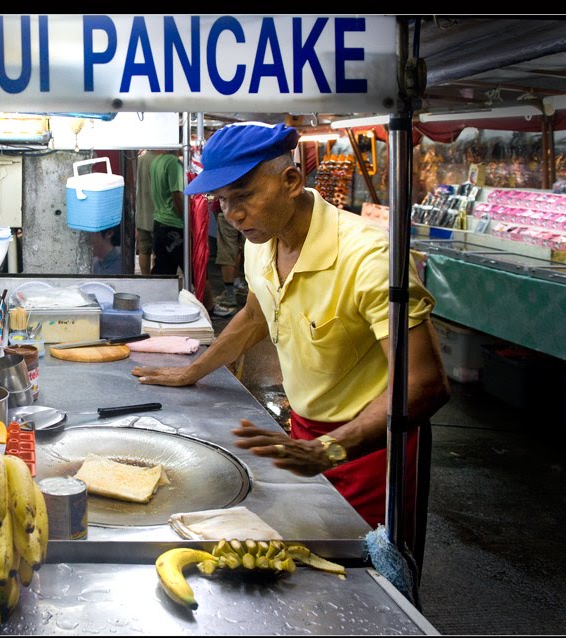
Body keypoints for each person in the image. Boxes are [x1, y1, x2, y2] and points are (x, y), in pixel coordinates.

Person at [132, 122, 451, 531]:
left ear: (291, 180)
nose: (232, 216)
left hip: (373, 447)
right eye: (222, 201)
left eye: (243, 195)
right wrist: (194, 370)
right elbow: (255, 315)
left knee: (367, 569)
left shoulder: (369, 258)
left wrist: (330, 449)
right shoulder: (259, 242)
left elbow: (424, 385)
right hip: (305, 434)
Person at [148, 149, 186, 277]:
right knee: (196, 273)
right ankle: (206, 298)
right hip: (174, 225)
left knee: (163, 273)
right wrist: (187, 220)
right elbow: (177, 194)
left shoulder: (156, 161)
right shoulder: (174, 163)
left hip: (159, 222)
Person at [208, 194, 246, 317]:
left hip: (229, 208)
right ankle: (236, 285)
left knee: (227, 249)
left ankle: (230, 295)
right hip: (247, 208)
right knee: (238, 248)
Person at [134, 150, 156, 274]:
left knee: (144, 250)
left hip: (142, 212)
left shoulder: (140, 160)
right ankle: (157, 279)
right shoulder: (162, 161)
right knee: (159, 251)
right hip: (158, 213)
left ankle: (146, 277)